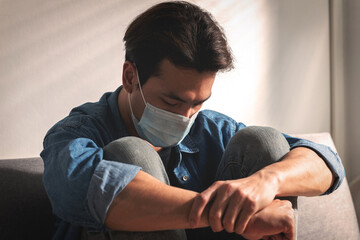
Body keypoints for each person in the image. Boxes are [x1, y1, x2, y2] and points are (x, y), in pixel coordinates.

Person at [40, 1, 345, 240]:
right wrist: (229, 213)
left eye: (198, 103)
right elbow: (88, 190)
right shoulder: (78, 132)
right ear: (130, 76)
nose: (186, 117)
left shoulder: (210, 129)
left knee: (264, 142)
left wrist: (265, 183)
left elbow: (326, 163)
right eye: (171, 101)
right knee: (130, 155)